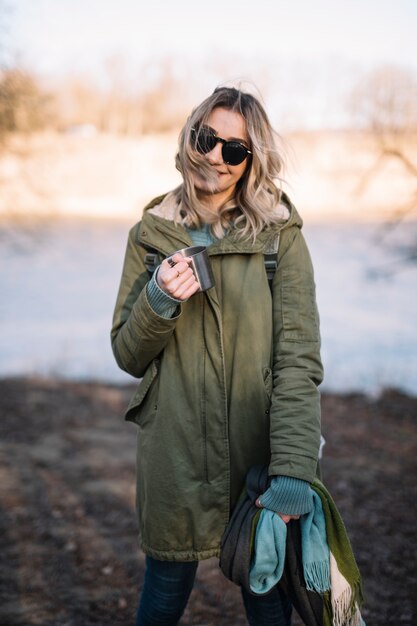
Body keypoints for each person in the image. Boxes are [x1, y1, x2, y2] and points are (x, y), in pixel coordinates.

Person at [111, 85, 323, 626]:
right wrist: (159, 300)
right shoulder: (150, 236)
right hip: (174, 452)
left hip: (257, 454)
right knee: (163, 588)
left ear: (251, 163)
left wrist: (293, 470)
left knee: (268, 596)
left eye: (235, 150)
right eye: (208, 139)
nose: (215, 157)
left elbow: (298, 361)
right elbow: (128, 355)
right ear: (190, 136)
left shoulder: (280, 240)